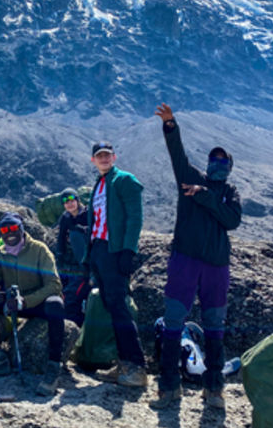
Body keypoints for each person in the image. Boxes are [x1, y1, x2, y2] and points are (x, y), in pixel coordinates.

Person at [152, 103, 242, 409]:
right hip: (185, 260)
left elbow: (231, 221)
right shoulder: (189, 176)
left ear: (229, 165)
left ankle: (214, 388)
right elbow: (177, 155)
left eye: (223, 159)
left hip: (216, 266)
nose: (217, 162)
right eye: (214, 158)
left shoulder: (230, 192)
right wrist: (170, 125)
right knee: (174, 318)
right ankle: (168, 387)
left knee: (215, 321)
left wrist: (203, 196)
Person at [0, 212, 65, 396]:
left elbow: (54, 285)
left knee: (56, 304)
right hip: (13, 303)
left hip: (36, 303)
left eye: (13, 228)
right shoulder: (1, 254)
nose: (9, 233)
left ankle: (54, 366)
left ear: (21, 229)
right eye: (5, 230)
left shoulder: (39, 250)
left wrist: (26, 301)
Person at [85, 142, 147, 387]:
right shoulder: (100, 183)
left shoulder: (124, 180)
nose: (103, 159)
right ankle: (124, 363)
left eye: (107, 155)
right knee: (112, 306)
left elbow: (135, 217)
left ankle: (137, 367)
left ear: (114, 157)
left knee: (119, 307)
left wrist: (128, 251)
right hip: (100, 250)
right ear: (93, 160)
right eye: (99, 156)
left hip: (115, 251)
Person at [56, 187, 89, 326]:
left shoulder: (88, 213)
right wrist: (59, 256)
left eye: (71, 200)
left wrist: (80, 230)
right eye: (65, 201)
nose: (69, 204)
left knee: (72, 295)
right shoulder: (65, 217)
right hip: (71, 261)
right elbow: (61, 238)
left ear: (77, 200)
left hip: (87, 260)